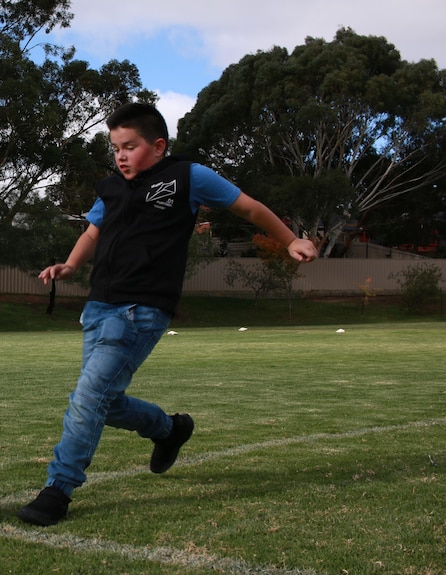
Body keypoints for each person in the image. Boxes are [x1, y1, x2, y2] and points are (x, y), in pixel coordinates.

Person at [17, 102, 318, 527]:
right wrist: (70, 265)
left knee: (88, 397)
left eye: (130, 146)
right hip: (100, 306)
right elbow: (93, 231)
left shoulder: (188, 177)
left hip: (142, 310)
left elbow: (248, 208)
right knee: (105, 401)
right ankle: (168, 429)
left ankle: (58, 490)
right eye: (115, 148)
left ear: (158, 146)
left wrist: (290, 240)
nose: (121, 156)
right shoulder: (112, 188)